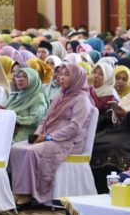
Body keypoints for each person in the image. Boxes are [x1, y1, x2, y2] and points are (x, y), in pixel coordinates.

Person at [10, 63, 93, 206]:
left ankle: (28, 193)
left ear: (76, 78)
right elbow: (45, 119)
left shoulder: (82, 99)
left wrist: (48, 137)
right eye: (60, 74)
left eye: (66, 75)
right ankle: (19, 189)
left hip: (69, 141)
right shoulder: (60, 96)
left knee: (31, 151)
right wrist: (37, 134)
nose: (61, 78)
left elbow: (74, 128)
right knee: (16, 148)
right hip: (48, 136)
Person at [4, 68, 49, 143]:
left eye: (24, 76)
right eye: (18, 77)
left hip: (28, 132)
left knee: (7, 143)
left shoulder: (38, 98)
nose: (20, 79)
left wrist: (14, 118)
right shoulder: (16, 96)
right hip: (11, 128)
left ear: (33, 79)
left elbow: (35, 120)